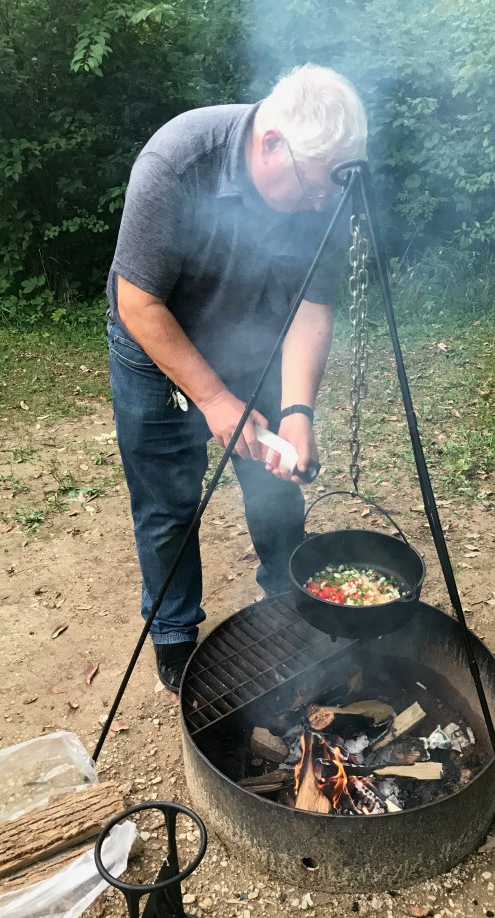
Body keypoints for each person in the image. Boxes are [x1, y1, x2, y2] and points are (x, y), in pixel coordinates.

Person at [106, 65, 368, 692]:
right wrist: (215, 398)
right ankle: (173, 629)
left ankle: (291, 595)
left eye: (330, 190)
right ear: (272, 143)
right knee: (169, 503)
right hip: (157, 348)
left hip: (255, 345)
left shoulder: (322, 184)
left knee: (275, 486)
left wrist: (298, 414)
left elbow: (312, 307)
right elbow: (137, 302)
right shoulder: (177, 163)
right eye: (314, 187)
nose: (320, 204)